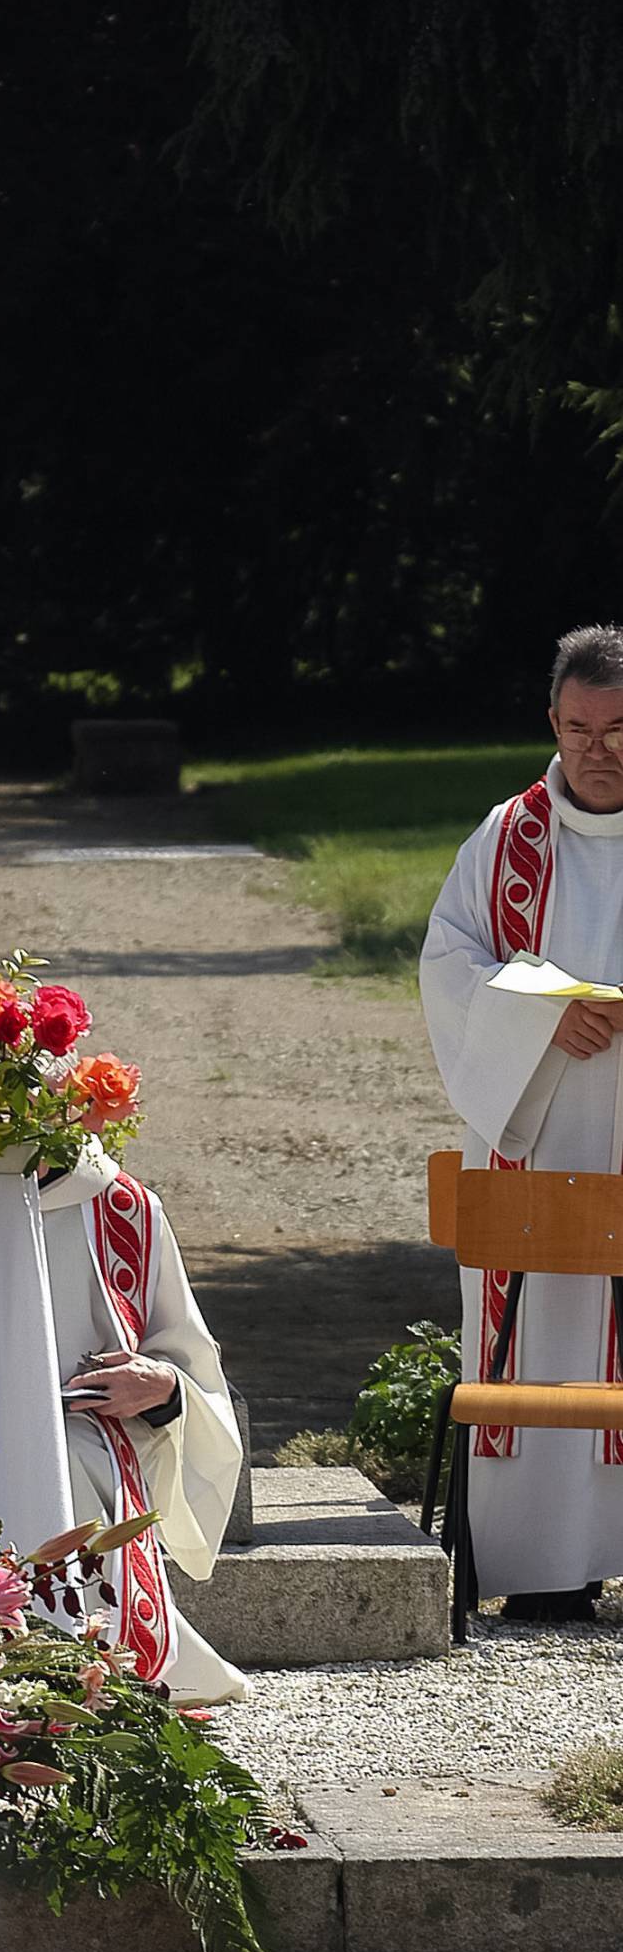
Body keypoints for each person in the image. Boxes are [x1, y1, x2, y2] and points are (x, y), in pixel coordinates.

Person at [420, 623, 623, 1620]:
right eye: (581, 727)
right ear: (553, 721)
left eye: (621, 728)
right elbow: (447, 969)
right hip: (536, 1138)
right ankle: (547, 1570)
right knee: (543, 1333)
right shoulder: (506, 842)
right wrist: (545, 1014)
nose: (601, 749)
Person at [38, 1143, 249, 1704]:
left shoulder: (118, 1208)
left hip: (81, 1422)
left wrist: (162, 1388)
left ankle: (94, 1675)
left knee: (79, 1465)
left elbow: (188, 1365)